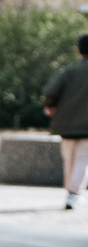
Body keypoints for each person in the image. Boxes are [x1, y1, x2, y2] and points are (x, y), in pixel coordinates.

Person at [41, 32, 88, 209]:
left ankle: (70, 191)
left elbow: (50, 92)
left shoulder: (69, 72)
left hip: (66, 124)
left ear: (78, 51)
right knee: (83, 160)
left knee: (69, 160)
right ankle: (73, 193)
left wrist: (50, 105)